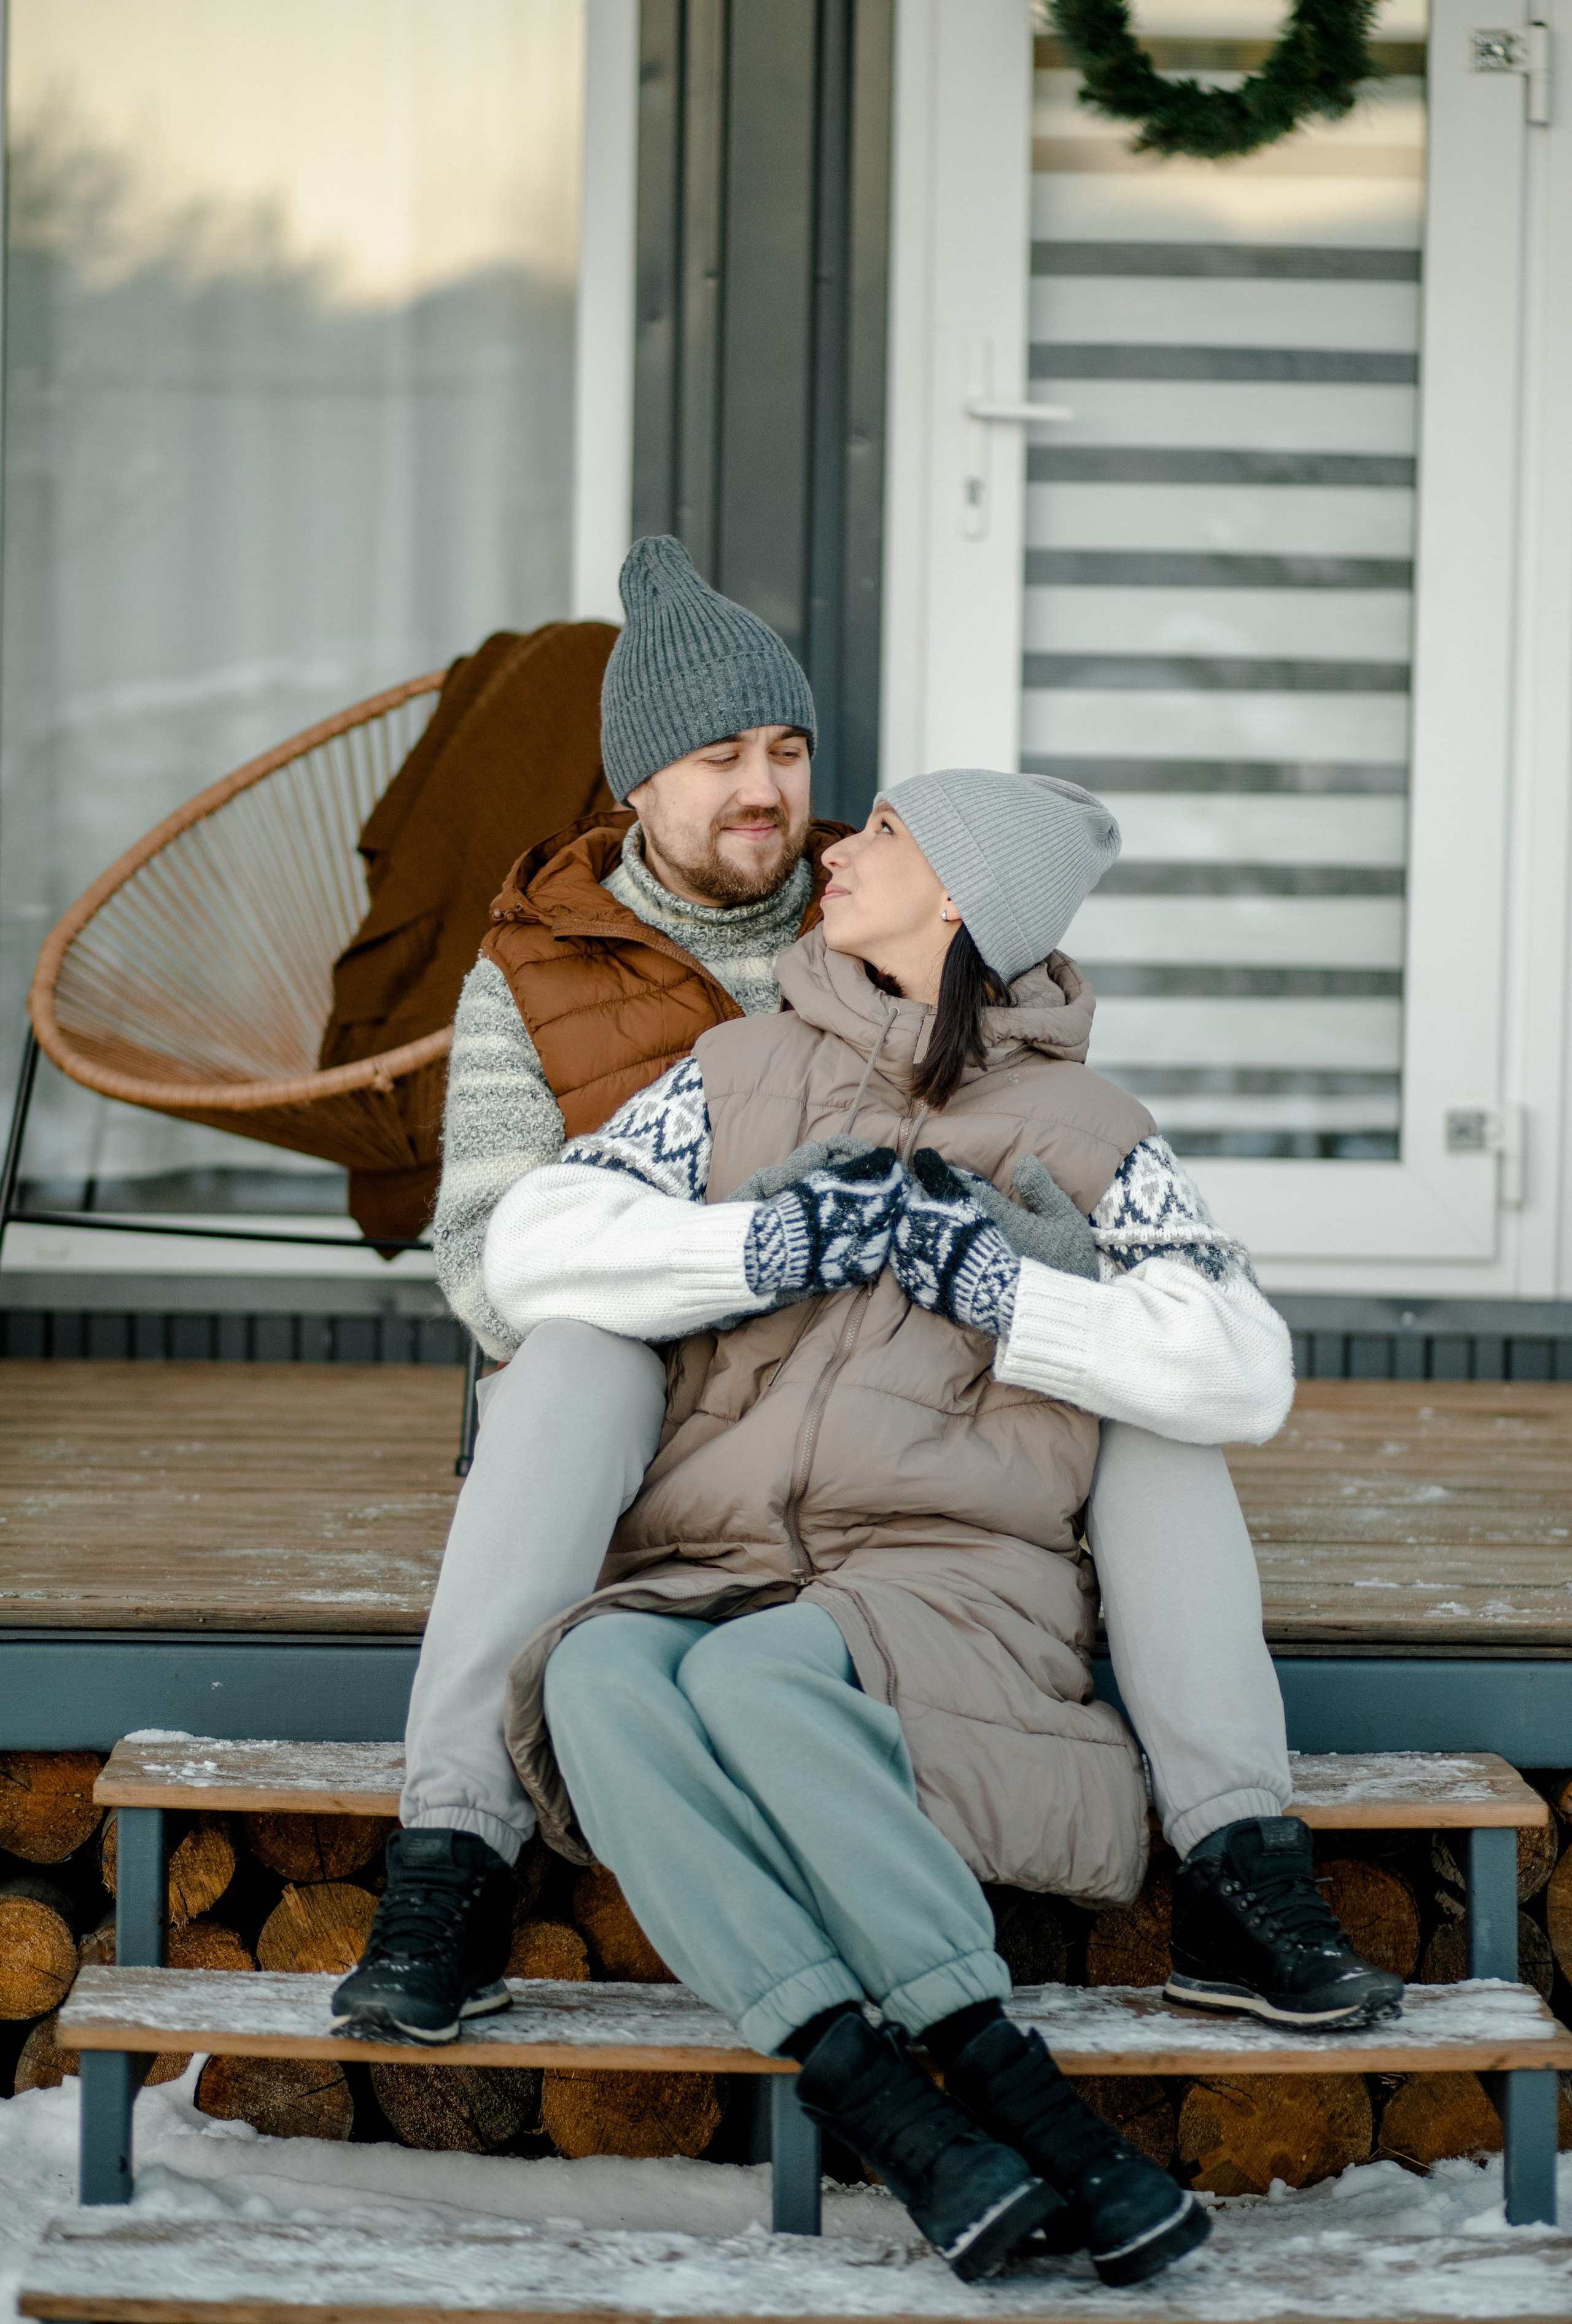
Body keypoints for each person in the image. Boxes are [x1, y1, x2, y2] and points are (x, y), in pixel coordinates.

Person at [333, 540, 1399, 2073]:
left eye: (792, 753)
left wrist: (1017, 1289)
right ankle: (450, 1861)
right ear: (636, 786)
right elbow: (492, 1259)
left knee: (1165, 1406)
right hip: (657, 1378)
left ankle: (1243, 1866)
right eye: (720, 760)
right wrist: (753, 1255)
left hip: (916, 1410)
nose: (773, 796)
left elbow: (1036, 1091)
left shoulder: (878, 906)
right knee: (567, 1354)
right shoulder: (541, 976)